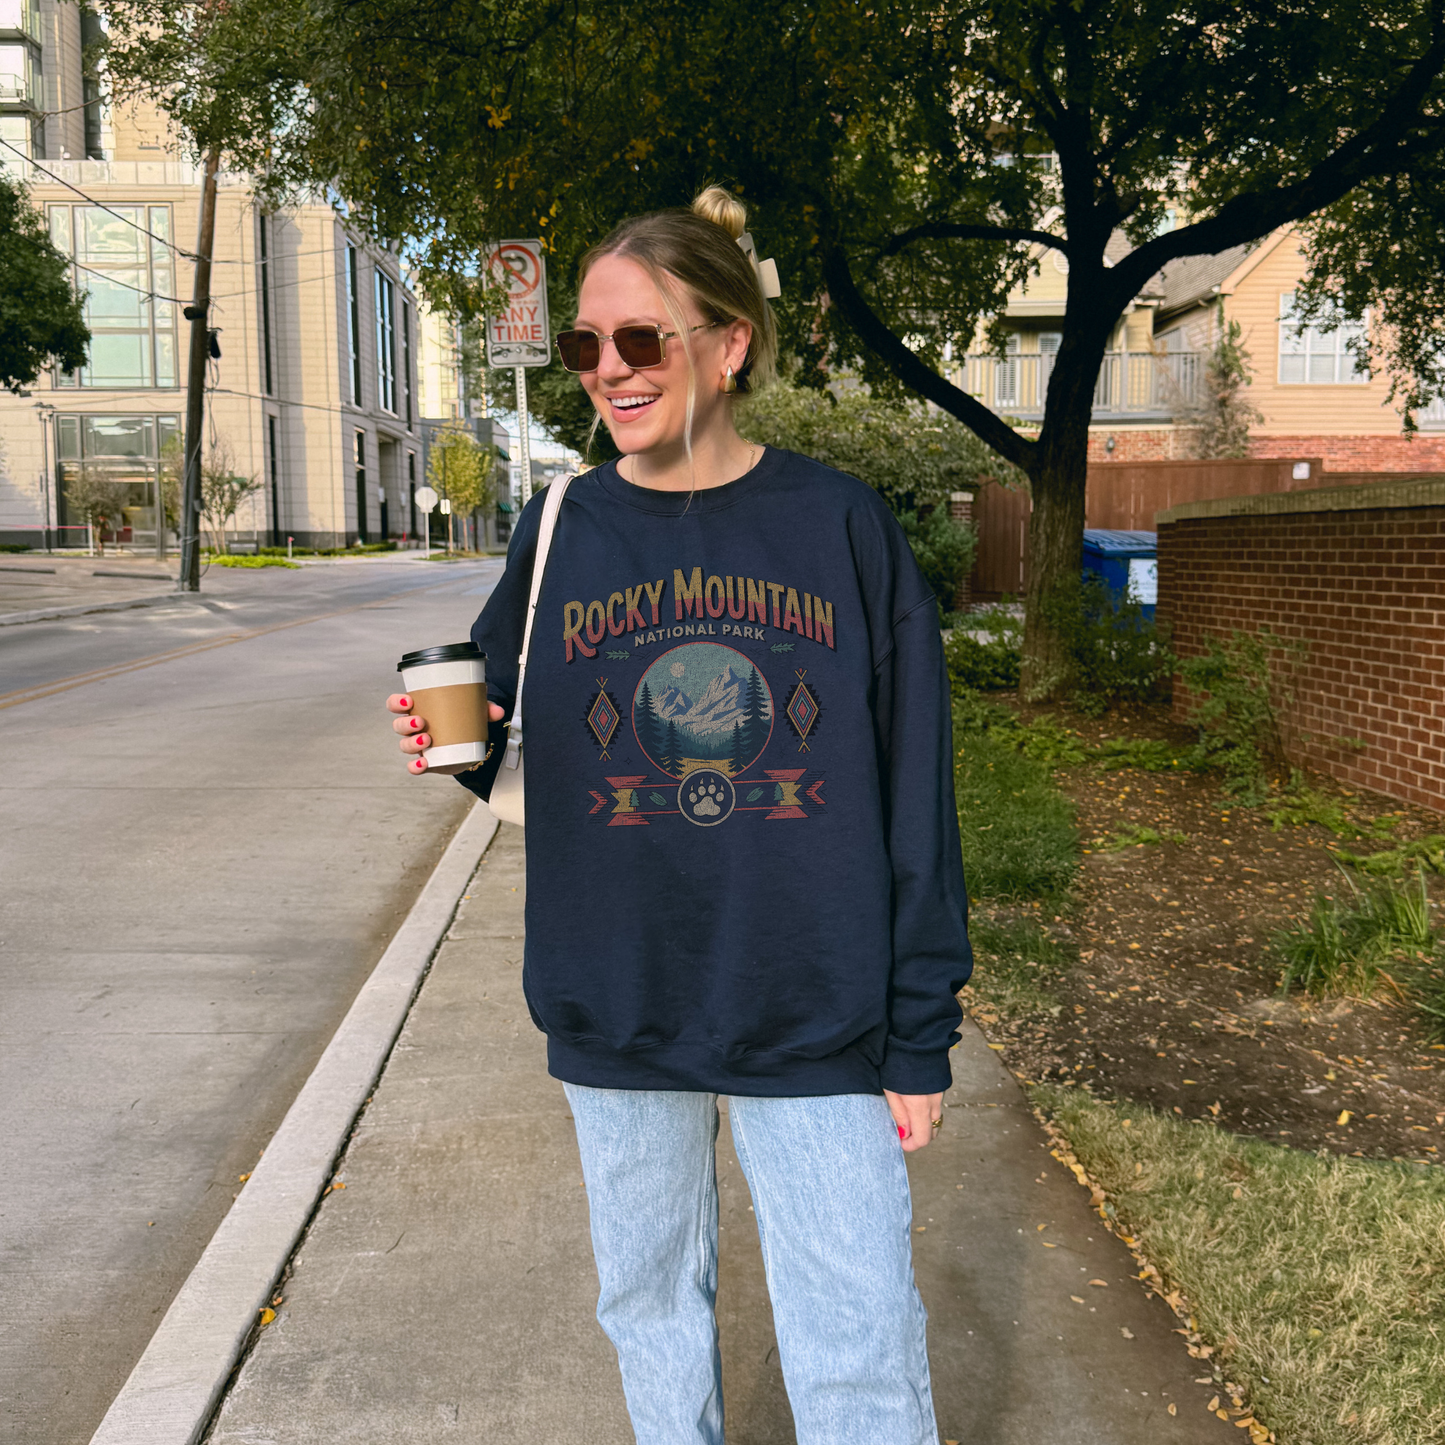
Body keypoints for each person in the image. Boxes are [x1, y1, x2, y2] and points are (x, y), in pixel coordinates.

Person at [386, 186, 971, 1445]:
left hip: (814, 1007)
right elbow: (511, 747)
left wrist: (919, 1030)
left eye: (639, 340)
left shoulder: (837, 526)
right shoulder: (562, 526)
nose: (606, 370)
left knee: (859, 1333)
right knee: (646, 1305)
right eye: (585, 346)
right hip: (620, 994)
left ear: (726, 343)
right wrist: (451, 747)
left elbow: (916, 788)